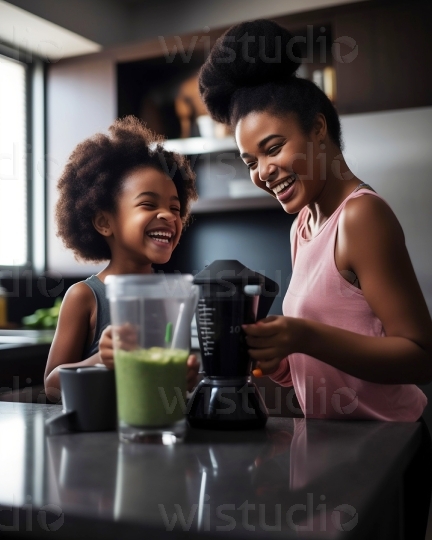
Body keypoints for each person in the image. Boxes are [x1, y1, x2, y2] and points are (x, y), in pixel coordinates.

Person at [198, 19, 432, 538]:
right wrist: (280, 360)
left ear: (319, 129)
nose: (261, 172)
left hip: (388, 446)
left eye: (273, 147)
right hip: (331, 448)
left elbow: (421, 354)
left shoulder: (361, 217)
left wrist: (303, 334)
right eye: (249, 160)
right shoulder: (304, 224)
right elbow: (332, 352)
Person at [44, 116, 199, 402]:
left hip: (162, 435)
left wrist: (187, 377)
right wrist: (100, 360)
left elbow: (174, 383)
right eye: (148, 204)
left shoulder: (176, 294)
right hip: (101, 444)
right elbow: (53, 386)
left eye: (175, 208)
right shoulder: (84, 297)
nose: (168, 215)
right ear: (105, 222)